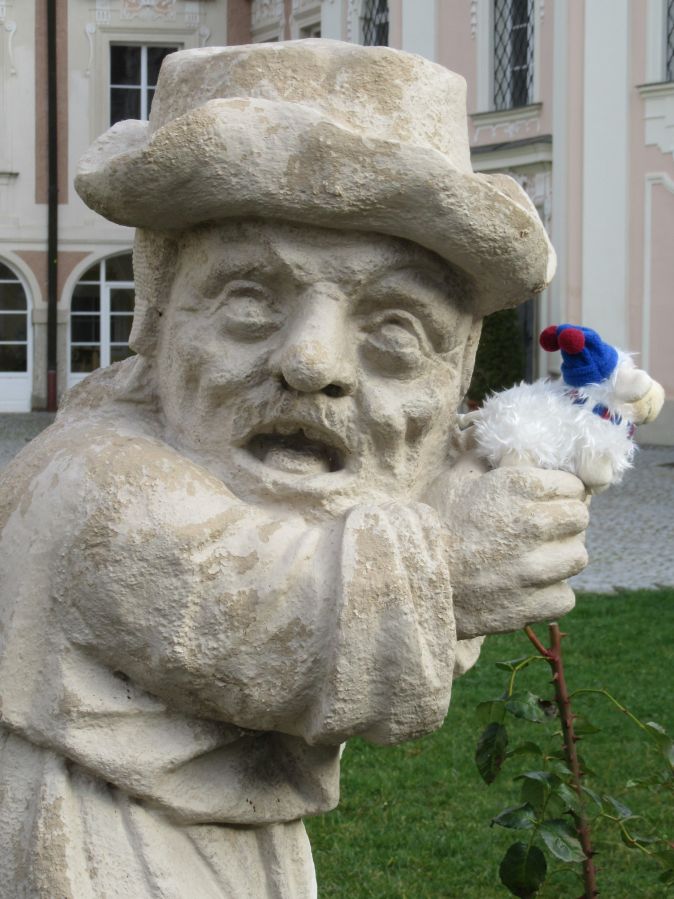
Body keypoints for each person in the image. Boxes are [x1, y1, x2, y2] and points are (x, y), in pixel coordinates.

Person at [0, 41, 588, 898]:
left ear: (456, 369)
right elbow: (243, 598)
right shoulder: (81, 485)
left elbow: (346, 632)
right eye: (249, 300)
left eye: (394, 328)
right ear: (158, 310)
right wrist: (449, 565)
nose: (313, 363)